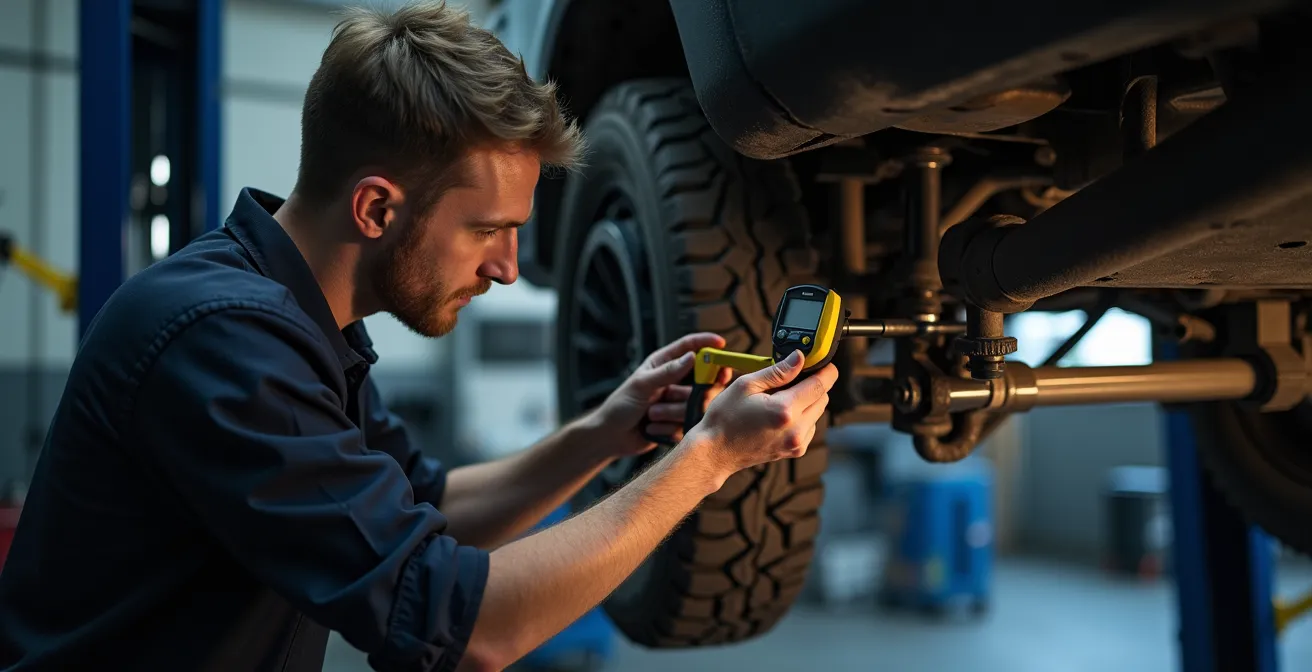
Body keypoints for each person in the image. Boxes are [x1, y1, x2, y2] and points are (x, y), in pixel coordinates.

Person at [0, 2, 837, 671]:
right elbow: (467, 630)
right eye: (488, 231)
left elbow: (427, 508)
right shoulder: (220, 342)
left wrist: (605, 432)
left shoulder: (297, 324)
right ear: (375, 207)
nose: (509, 269)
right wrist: (711, 458)